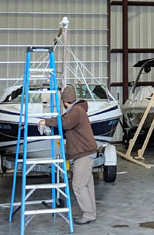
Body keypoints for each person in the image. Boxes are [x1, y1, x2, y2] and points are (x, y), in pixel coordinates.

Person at [38, 85, 98, 225]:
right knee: (87, 185)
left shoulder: (76, 111)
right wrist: (50, 121)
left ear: (64, 101)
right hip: (86, 152)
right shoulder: (77, 110)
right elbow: (63, 118)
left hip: (83, 153)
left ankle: (88, 214)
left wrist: (45, 122)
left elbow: (65, 122)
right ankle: (91, 213)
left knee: (78, 185)